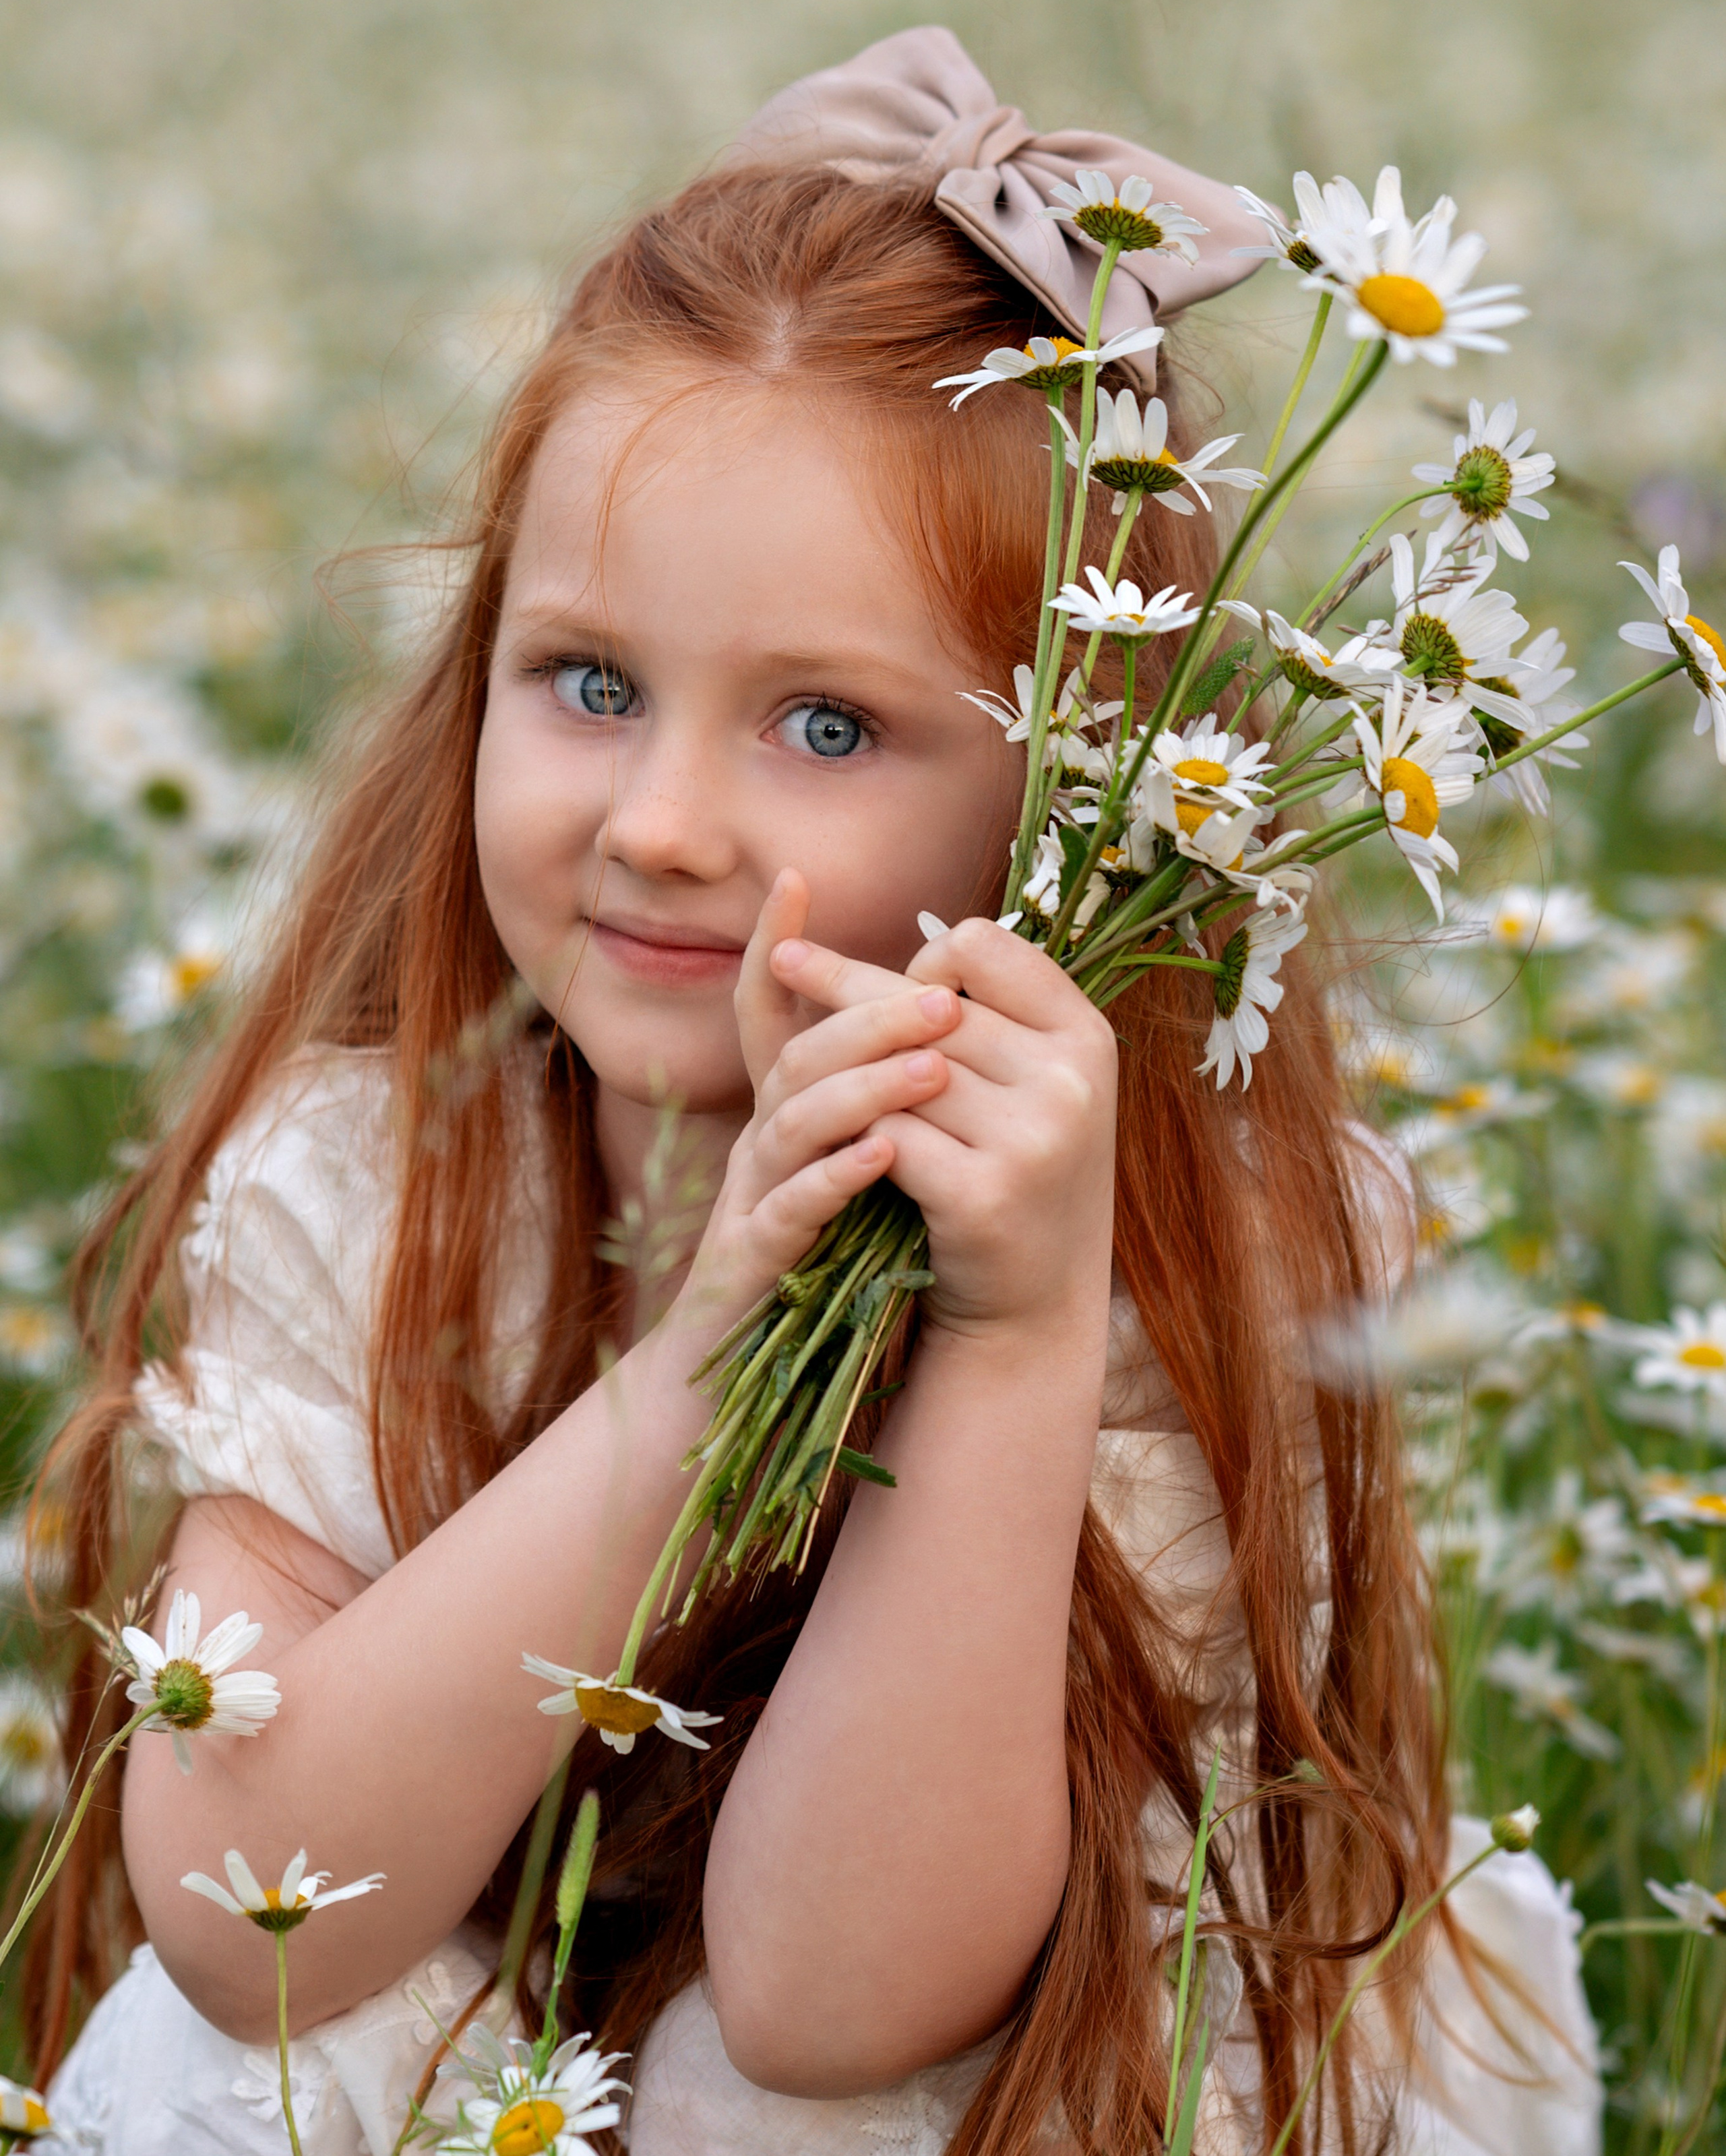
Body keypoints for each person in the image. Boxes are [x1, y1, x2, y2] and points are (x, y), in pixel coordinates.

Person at [28, 27, 1601, 2156]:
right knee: (253, 2071)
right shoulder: (379, 1173)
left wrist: (1011, 1328)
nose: (664, 824)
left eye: (828, 731)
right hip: (492, 2030)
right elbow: (258, 1927)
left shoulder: (1196, 1245)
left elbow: (832, 2013)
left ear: (1084, 803)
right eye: (589, 684)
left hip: (1009, 2069)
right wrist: (697, 1359)